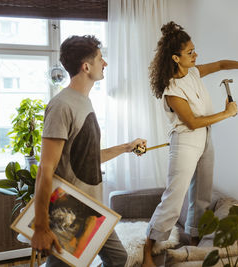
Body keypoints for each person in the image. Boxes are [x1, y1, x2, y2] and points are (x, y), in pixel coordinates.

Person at [142, 22, 238, 267]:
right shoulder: (172, 88)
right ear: (176, 58)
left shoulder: (193, 73)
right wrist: (227, 113)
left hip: (205, 137)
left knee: (202, 194)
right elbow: (191, 122)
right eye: (190, 53)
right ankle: (148, 249)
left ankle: (195, 245)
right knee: (173, 200)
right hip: (186, 140)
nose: (195, 55)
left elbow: (220, 65)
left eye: (194, 50)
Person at [31, 35, 147, 267]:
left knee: (118, 258)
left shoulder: (84, 102)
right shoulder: (62, 105)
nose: (104, 64)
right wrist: (42, 227)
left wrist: (126, 147)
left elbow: (87, 159)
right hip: (70, 211)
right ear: (86, 66)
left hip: (92, 207)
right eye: (100, 59)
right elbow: (46, 168)